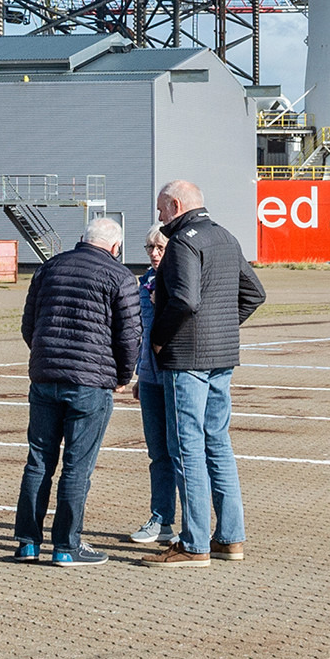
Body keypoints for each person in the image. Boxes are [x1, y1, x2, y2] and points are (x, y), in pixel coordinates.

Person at [140, 179, 264, 567]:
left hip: (187, 360)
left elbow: (184, 300)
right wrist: (224, 328)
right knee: (219, 445)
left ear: (176, 205)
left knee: (187, 448)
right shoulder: (226, 237)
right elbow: (254, 293)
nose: (159, 217)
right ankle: (230, 538)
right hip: (221, 358)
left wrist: (159, 340)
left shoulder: (182, 242)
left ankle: (193, 544)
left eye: (161, 209)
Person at [16, 213, 139, 563]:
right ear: (115, 246)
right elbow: (129, 335)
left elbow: (29, 325)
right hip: (90, 383)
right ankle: (66, 548)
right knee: (76, 466)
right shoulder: (119, 275)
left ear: (84, 238)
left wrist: (47, 357)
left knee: (38, 462)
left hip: (44, 377)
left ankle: (28, 543)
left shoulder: (49, 268)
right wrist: (123, 375)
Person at [126, 222, 179, 547]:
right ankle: (161, 519)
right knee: (158, 452)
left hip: (178, 377)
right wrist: (138, 374)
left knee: (183, 452)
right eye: (150, 248)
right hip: (149, 379)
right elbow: (139, 333)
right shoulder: (144, 281)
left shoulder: (181, 278)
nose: (155, 254)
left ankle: (197, 526)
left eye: (160, 248)